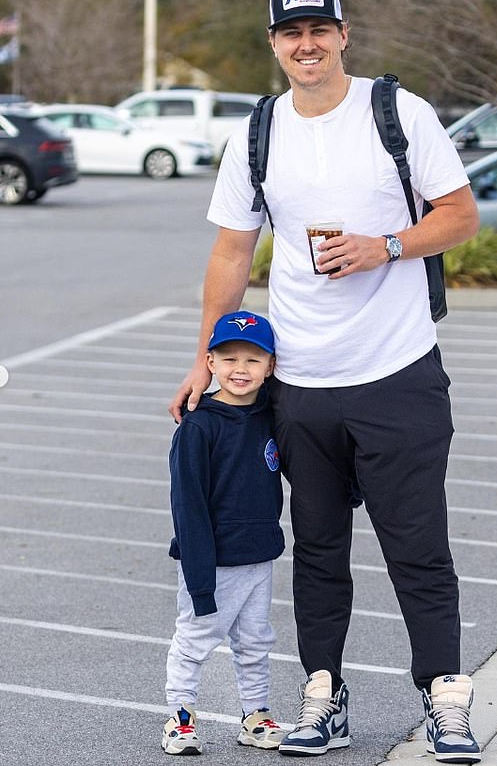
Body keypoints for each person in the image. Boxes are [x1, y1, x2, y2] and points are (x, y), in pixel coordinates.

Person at [169, 0, 481, 764]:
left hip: (398, 373)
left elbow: (460, 214)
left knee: (417, 547)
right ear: (274, 44)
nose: (305, 45)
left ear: (343, 33)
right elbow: (232, 249)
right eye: (290, 33)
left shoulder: (396, 114)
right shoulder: (257, 133)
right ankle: (323, 694)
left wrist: (386, 245)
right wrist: (206, 357)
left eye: (319, 30)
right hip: (300, 384)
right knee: (316, 548)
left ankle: (445, 694)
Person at [162, 311, 286, 756]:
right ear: (209, 362)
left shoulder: (272, 414)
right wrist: (199, 577)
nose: (240, 369)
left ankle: (255, 715)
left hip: (259, 555)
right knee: (195, 638)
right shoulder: (199, 425)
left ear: (271, 366)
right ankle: (181, 717)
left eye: (254, 360)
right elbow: (188, 506)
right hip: (212, 560)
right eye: (229, 357)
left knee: (255, 641)